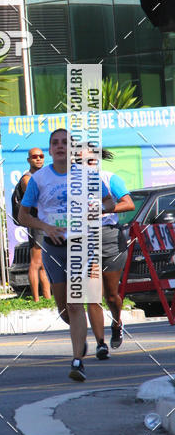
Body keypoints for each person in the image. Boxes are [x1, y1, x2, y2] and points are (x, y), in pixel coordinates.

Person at [18, 129, 115, 382]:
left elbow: (110, 202)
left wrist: (92, 211)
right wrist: (45, 226)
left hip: (80, 244)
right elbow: (23, 215)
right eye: (55, 143)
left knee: (74, 304)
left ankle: (77, 361)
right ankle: (80, 338)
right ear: (50, 150)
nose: (60, 146)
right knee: (63, 309)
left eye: (65, 143)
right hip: (53, 246)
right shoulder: (39, 179)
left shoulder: (87, 175)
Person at [86, 149, 134, 358]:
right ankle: (100, 343)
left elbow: (128, 204)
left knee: (111, 296)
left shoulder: (109, 179)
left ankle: (116, 323)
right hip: (83, 238)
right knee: (92, 294)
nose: (85, 164)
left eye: (90, 160)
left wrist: (103, 210)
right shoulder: (69, 184)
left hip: (109, 236)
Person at [15, 148, 51, 302]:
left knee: (43, 263)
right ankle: (36, 299)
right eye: (35, 156)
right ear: (28, 160)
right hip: (36, 223)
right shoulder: (27, 179)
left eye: (41, 156)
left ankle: (47, 297)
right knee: (36, 262)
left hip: (45, 222)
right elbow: (37, 201)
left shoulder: (44, 176)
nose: (38, 159)